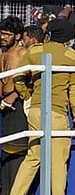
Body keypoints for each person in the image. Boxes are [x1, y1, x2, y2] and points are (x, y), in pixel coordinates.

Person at [11, 18, 75, 195]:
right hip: (57, 113)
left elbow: (17, 77)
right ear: (68, 37)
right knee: (58, 161)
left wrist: (27, 97)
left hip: (35, 110)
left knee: (33, 157)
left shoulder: (34, 51)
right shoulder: (72, 56)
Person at [0, 16, 28, 191]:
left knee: (15, 149)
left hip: (16, 106)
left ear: (17, 36)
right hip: (2, 106)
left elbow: (30, 82)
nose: (3, 37)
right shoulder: (1, 52)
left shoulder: (23, 53)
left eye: (7, 34)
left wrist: (13, 96)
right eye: (1, 33)